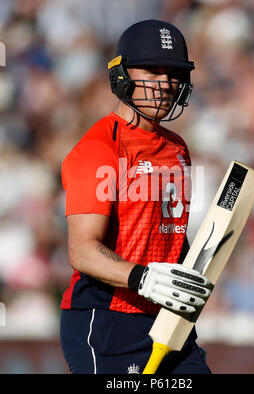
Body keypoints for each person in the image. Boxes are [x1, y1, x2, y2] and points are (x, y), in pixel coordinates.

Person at [60, 19, 212, 374]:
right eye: (153, 72)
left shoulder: (177, 148)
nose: (165, 85)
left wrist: (189, 275)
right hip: (108, 322)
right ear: (122, 74)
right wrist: (143, 279)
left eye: (173, 74)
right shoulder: (99, 147)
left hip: (168, 322)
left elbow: (168, 234)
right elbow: (81, 250)